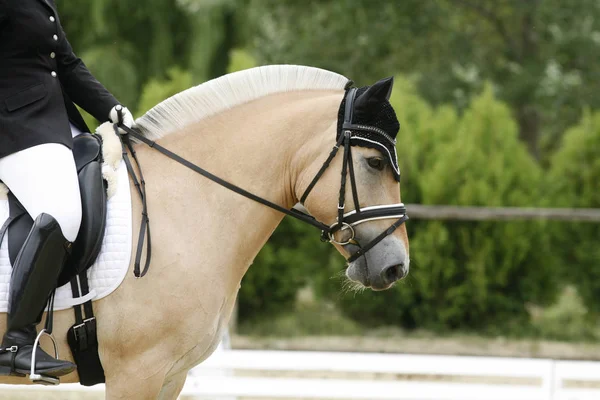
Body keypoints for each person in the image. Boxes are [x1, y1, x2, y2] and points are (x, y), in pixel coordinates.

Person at [0, 0, 135, 378]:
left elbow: (67, 64)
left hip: (55, 124)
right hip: (16, 128)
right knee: (63, 212)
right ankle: (17, 343)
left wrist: (111, 108)